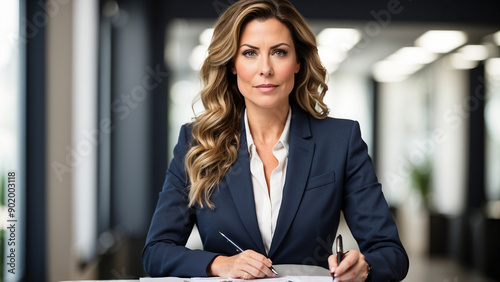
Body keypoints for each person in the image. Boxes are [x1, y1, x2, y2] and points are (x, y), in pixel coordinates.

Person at [142, 0, 409, 281]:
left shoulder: (341, 141)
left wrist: (364, 267)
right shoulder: (197, 142)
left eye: (279, 52)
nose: (265, 69)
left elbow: (391, 253)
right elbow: (156, 252)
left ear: (297, 62)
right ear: (232, 64)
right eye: (250, 53)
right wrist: (220, 264)